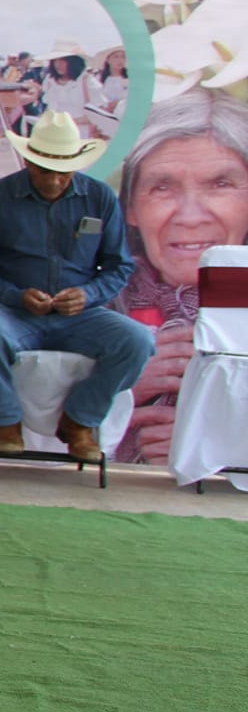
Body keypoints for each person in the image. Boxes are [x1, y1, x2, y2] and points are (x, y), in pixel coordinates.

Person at [0, 110, 154, 462]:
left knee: (138, 340)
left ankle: (80, 420)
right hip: (14, 311)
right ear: (27, 161)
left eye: (62, 172)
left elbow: (119, 265)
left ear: (77, 165)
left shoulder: (100, 198)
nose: (52, 181)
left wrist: (88, 294)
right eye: (44, 170)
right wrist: (15, 295)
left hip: (81, 315)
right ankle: (5, 422)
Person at [108, 88, 248, 464]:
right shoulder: (90, 301)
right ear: (131, 206)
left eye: (220, 184)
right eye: (162, 187)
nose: (190, 215)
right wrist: (114, 395)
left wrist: (216, 446)